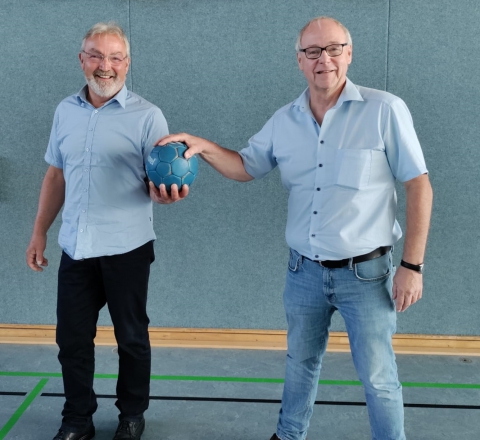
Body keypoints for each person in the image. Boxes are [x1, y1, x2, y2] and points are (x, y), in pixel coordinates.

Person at [158, 15, 433, 440]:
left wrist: (412, 266)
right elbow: (247, 166)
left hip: (368, 275)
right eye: (312, 52)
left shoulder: (385, 110)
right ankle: (288, 436)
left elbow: (419, 185)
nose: (324, 59)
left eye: (334, 49)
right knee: (299, 365)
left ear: (349, 53)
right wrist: (205, 147)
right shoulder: (284, 121)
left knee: (378, 376)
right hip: (303, 272)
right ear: (299, 61)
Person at [26, 22, 187, 440]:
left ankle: (132, 415)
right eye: (96, 56)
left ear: (127, 64)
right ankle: (77, 419)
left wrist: (163, 194)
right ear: (82, 60)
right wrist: (40, 231)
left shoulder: (148, 116)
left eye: (115, 57)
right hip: (75, 247)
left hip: (126, 247)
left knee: (131, 338)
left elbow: (158, 180)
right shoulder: (65, 111)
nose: (105, 66)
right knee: (71, 340)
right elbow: (55, 176)